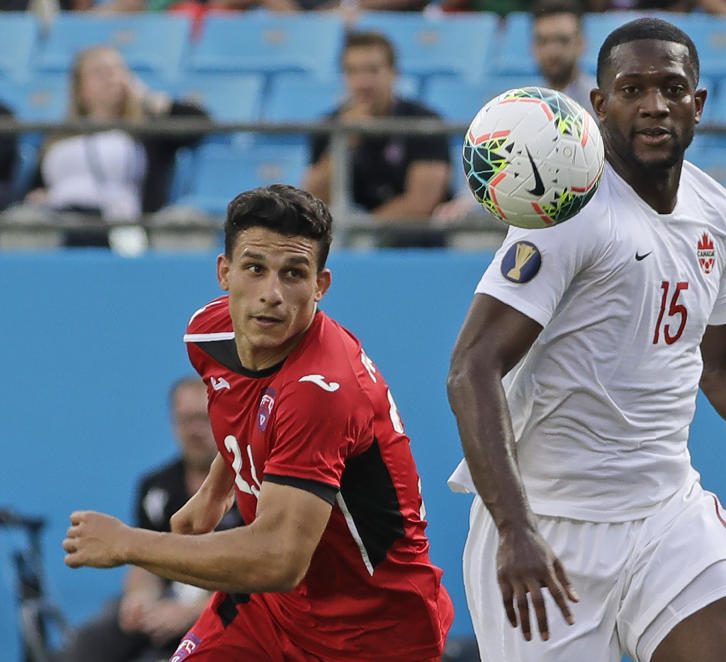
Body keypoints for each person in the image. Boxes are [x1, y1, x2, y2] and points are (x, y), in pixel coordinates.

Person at [445, 17, 726, 662]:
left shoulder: (719, 213)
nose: (654, 105)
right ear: (598, 105)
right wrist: (514, 528)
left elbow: (725, 360)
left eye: (672, 88)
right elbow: (471, 368)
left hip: (665, 512)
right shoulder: (568, 213)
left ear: (697, 104)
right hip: (549, 525)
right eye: (632, 89)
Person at [63, 184, 454, 662]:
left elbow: (277, 558)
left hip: (371, 631)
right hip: (270, 611)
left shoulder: (321, 390)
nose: (271, 294)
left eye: (294, 274)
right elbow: (246, 404)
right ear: (224, 272)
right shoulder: (210, 332)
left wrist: (128, 543)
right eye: (255, 268)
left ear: (320, 286)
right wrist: (216, 487)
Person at [57, 378, 243, 662]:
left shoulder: (250, 488)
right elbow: (143, 559)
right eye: (185, 420)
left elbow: (259, 573)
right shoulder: (156, 486)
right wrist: (139, 597)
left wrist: (192, 611)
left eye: (203, 419)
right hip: (164, 603)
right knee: (89, 642)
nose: (195, 430)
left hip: (228, 608)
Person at [25, 45, 208, 247]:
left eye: (118, 70)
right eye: (98, 72)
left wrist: (148, 98)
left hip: (126, 225)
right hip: (62, 221)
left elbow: (200, 125)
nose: (110, 77)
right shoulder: (57, 136)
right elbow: (37, 185)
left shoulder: (148, 130)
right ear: (80, 88)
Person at [433, 0, 594, 223]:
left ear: (581, 44)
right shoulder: (513, 104)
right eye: (543, 41)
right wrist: (466, 203)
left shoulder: (602, 104)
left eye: (562, 40)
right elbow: (486, 164)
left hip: (583, 211)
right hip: (518, 208)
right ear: (532, 47)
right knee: (462, 226)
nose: (552, 51)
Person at [301, 31, 451, 247]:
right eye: (353, 72)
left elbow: (422, 204)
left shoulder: (424, 121)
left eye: (372, 70)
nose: (363, 82)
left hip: (415, 237)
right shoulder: (331, 125)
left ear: (393, 73)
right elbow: (312, 198)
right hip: (353, 233)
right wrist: (344, 142)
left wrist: (364, 231)